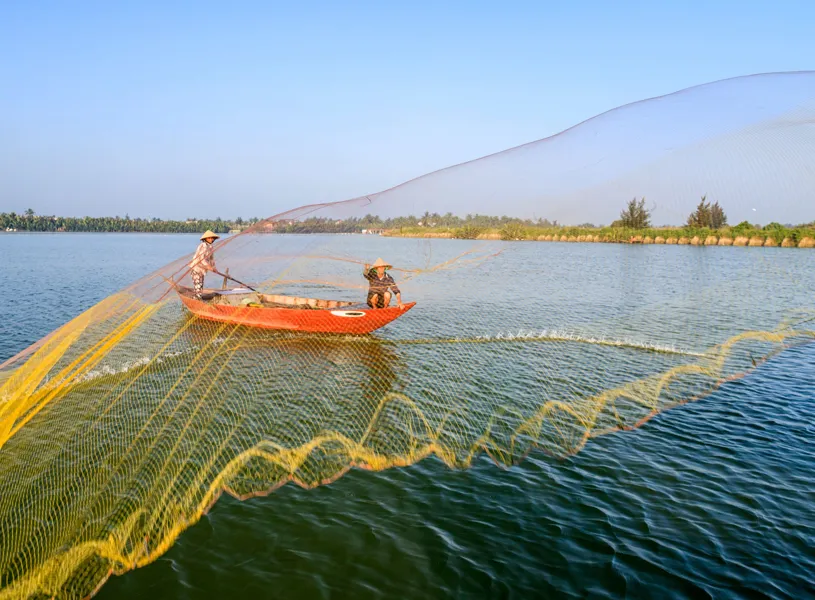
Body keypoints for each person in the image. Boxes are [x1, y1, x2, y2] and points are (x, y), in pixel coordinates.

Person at [190, 230, 219, 298]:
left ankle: (197, 299)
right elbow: (201, 259)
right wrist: (209, 267)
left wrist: (214, 268)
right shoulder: (203, 246)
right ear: (205, 239)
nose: (211, 239)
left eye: (212, 238)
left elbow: (211, 259)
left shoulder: (210, 247)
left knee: (200, 286)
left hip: (202, 270)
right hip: (196, 269)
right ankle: (196, 300)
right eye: (210, 238)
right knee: (198, 286)